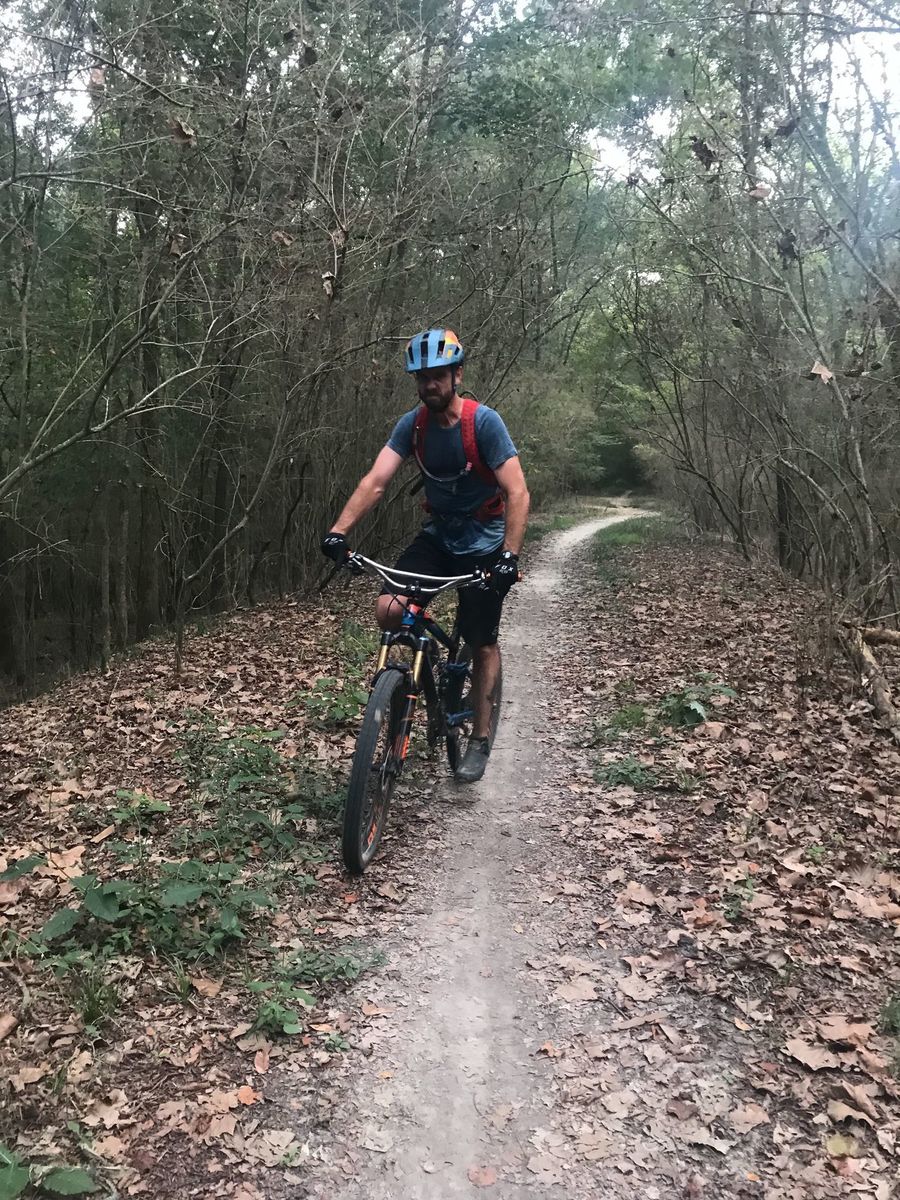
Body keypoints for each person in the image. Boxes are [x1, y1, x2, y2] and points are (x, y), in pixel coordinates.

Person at [320, 327, 530, 783]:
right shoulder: (412, 426)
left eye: (438, 375)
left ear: (457, 375)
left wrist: (509, 557)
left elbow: (517, 492)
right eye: (422, 377)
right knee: (389, 609)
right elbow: (376, 481)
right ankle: (422, 661)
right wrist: (339, 531)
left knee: (481, 641)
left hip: (484, 545)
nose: (429, 384)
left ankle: (479, 738)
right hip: (438, 538)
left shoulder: (484, 424)